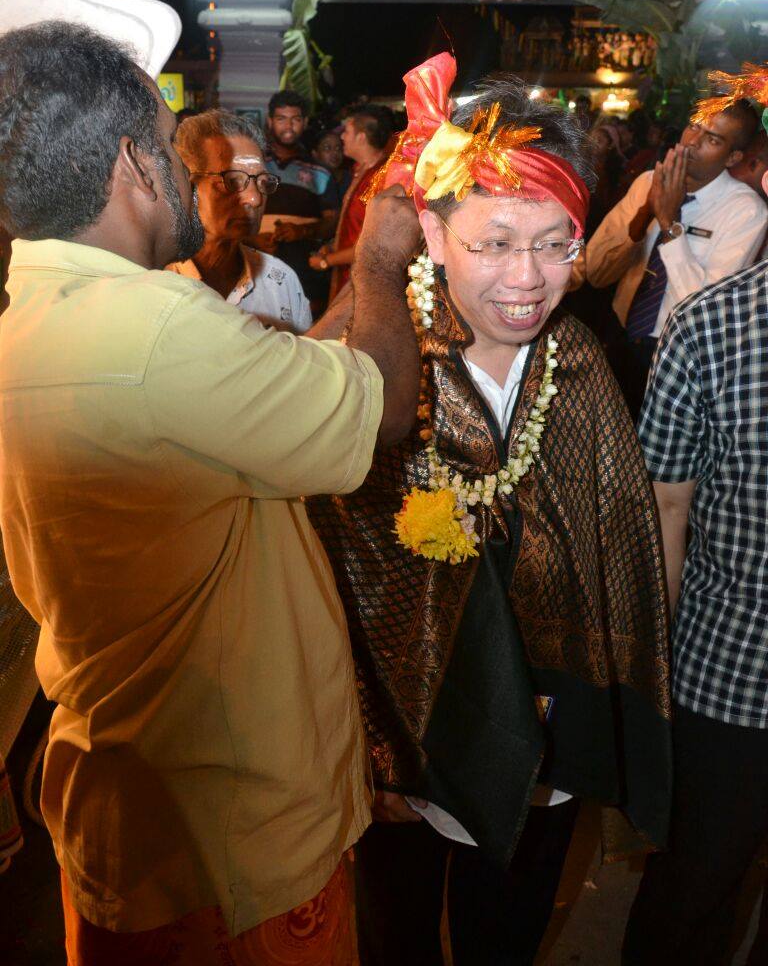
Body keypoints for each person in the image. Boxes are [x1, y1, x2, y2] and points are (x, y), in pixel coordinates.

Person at [0, 21, 422, 964]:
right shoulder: (158, 329)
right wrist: (381, 261)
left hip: (129, 815)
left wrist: (345, 299)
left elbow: (269, 385)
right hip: (235, 838)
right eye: (171, 147)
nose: (196, 179)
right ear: (132, 166)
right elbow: (386, 411)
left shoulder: (32, 312)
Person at [309, 53, 673, 966]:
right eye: (496, 243)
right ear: (433, 234)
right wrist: (362, 744)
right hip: (403, 746)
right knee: (394, 938)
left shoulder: (580, 365)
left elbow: (615, 554)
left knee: (505, 939)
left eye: (555, 243)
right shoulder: (377, 365)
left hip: (544, 748)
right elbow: (327, 566)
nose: (528, 278)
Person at [623, 255, 768, 966]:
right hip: (729, 674)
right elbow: (665, 506)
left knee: (695, 892)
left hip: (726, 670)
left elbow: (667, 506)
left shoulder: (709, 319)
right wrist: (653, 677)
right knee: (691, 895)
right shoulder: (710, 321)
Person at [584, 98, 767, 418]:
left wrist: (669, 222)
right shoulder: (647, 182)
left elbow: (707, 312)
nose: (693, 142)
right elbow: (596, 271)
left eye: (713, 139)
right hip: (620, 336)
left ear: (733, 157)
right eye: (693, 126)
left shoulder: (745, 211)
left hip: (681, 355)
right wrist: (647, 211)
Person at [170, 109, 312, 333]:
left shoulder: (281, 281)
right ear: (187, 186)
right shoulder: (154, 280)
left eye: (262, 181)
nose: (255, 199)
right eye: (233, 181)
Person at [261, 89, 339, 309]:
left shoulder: (320, 172)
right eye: (281, 119)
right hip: (257, 265)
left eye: (295, 119)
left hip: (305, 274)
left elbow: (333, 222)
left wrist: (302, 231)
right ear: (270, 121)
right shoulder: (256, 165)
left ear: (304, 122)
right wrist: (251, 239)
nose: (288, 126)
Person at [309, 105, 394, 300]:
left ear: (361, 137)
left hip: (364, 282)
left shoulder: (382, 177)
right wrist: (334, 246)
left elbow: (375, 243)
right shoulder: (358, 171)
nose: (342, 137)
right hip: (346, 274)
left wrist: (327, 261)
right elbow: (354, 226)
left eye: (347, 132)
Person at [312, 126, 351, 197]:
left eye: (338, 148)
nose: (334, 153)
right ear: (315, 154)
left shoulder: (350, 179)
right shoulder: (309, 180)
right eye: (327, 148)